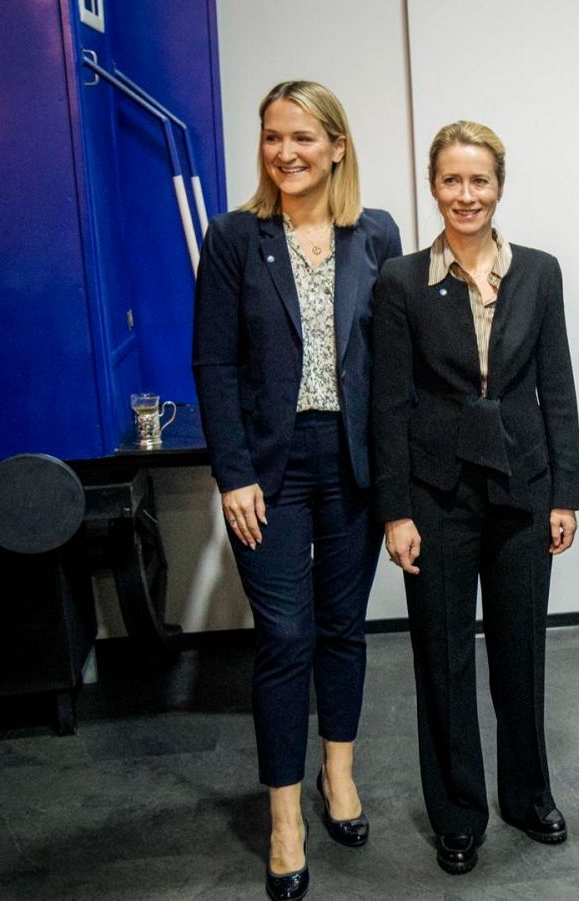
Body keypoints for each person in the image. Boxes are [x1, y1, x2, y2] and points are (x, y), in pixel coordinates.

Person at [193, 80, 401, 901]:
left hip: (352, 459)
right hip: (271, 467)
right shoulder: (236, 238)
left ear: (338, 147)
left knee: (343, 627)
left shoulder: (373, 233)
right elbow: (213, 363)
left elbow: (397, 356)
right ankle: (285, 818)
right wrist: (233, 471)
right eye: (274, 137)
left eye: (304, 138)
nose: (286, 152)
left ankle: (337, 775)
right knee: (285, 639)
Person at [371, 120, 579, 876]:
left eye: (480, 181)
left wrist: (567, 493)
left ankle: (528, 795)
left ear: (500, 186)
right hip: (436, 494)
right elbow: (389, 403)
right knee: (444, 658)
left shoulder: (539, 271)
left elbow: (555, 385)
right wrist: (395, 511)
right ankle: (458, 813)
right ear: (434, 186)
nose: (467, 195)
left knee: (522, 651)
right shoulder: (402, 280)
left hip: (523, 490)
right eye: (453, 181)